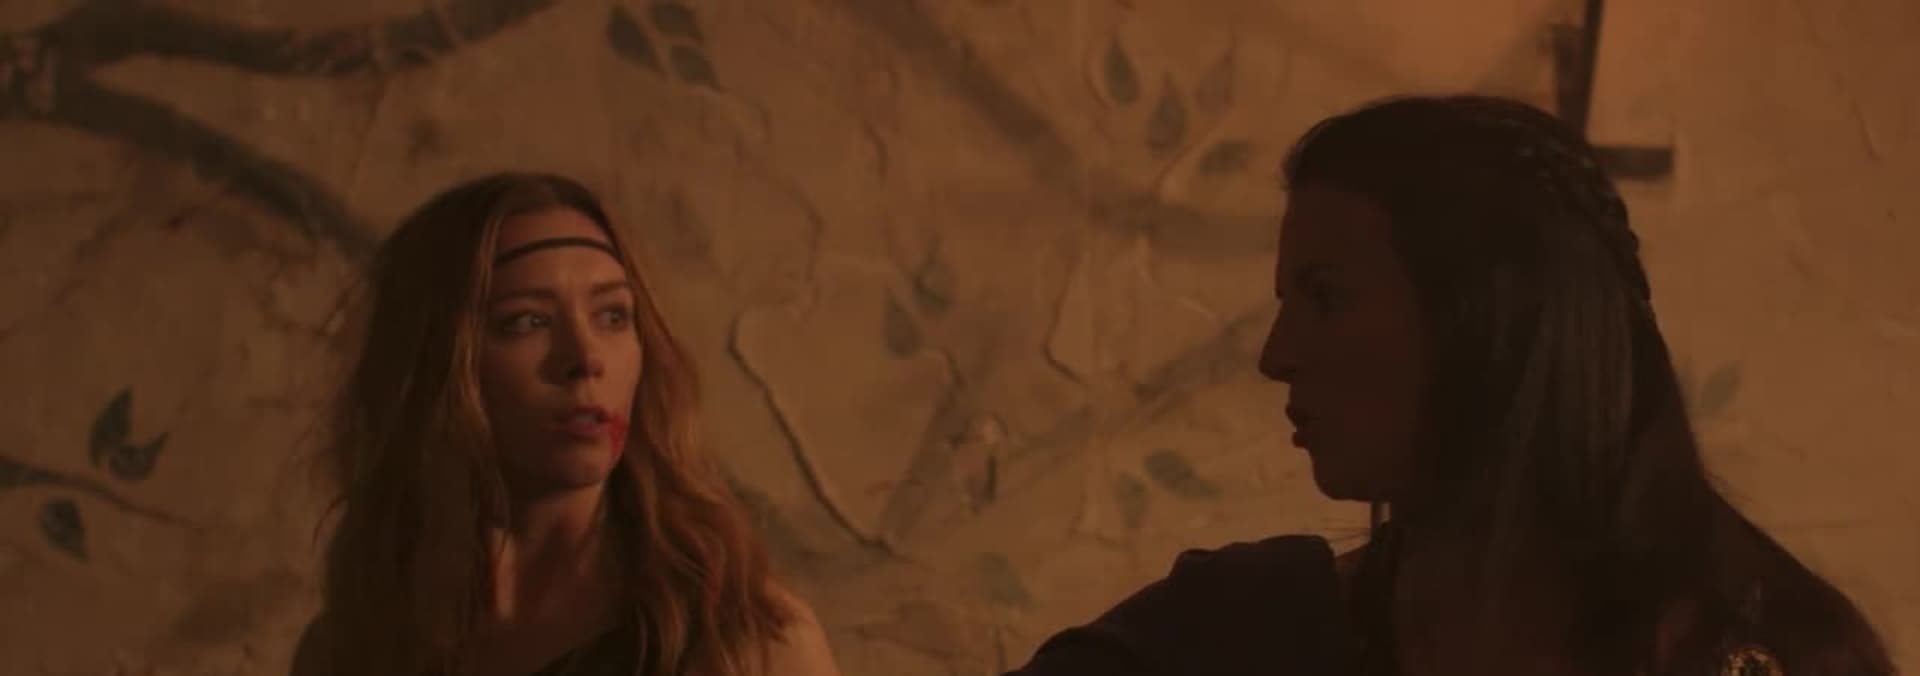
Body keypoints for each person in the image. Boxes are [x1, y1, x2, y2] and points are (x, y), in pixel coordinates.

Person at [1004, 96, 1895, 675]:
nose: (1276, 355)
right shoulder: (1240, 631)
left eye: (1325, 298)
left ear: (1489, 320)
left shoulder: (1765, 654)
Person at [290, 173, 841, 676]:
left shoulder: (743, 641)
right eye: (527, 321)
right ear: (434, 363)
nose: (585, 357)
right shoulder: (358, 645)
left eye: (613, 316)